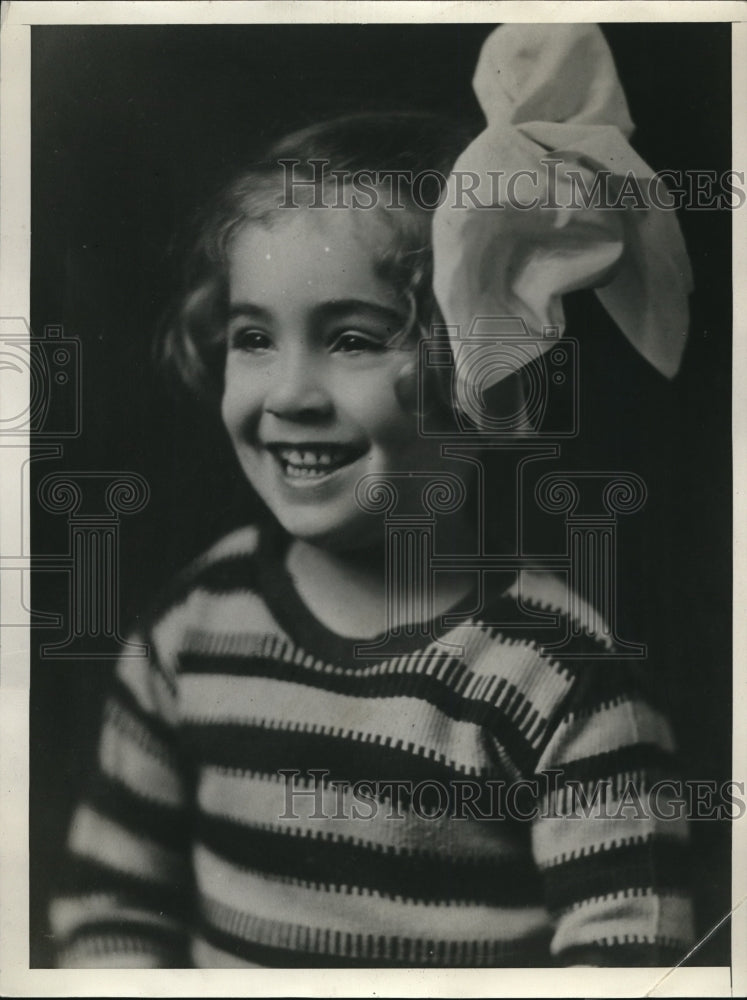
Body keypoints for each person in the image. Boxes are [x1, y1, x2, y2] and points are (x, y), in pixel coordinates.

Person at [48, 25, 695, 969]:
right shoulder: (193, 625)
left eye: (352, 339)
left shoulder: (562, 686)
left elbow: (628, 970)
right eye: (253, 337)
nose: (289, 395)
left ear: (482, 369)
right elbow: (108, 905)